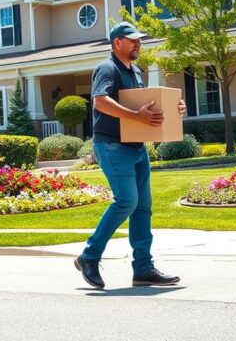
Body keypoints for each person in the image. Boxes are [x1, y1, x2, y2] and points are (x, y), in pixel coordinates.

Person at [75, 22, 187, 289]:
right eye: (133, 40)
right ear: (117, 43)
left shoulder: (135, 71)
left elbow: (143, 104)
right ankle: (89, 256)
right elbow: (100, 101)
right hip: (112, 146)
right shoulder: (107, 68)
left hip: (136, 147)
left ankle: (143, 269)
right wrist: (135, 116)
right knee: (126, 201)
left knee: (143, 208)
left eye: (139, 40)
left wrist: (174, 107)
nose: (139, 43)